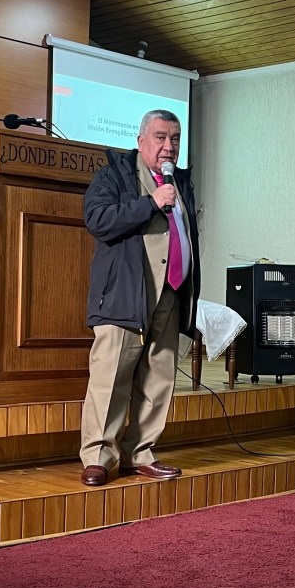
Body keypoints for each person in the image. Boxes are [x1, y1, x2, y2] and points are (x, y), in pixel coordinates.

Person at [79, 109, 200, 486]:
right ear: (141, 140)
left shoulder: (179, 181)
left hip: (170, 294)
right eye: (161, 137)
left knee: (158, 378)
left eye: (175, 139)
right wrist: (150, 202)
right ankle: (98, 456)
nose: (169, 146)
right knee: (110, 376)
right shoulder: (115, 175)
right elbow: (98, 220)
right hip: (125, 294)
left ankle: (140, 452)